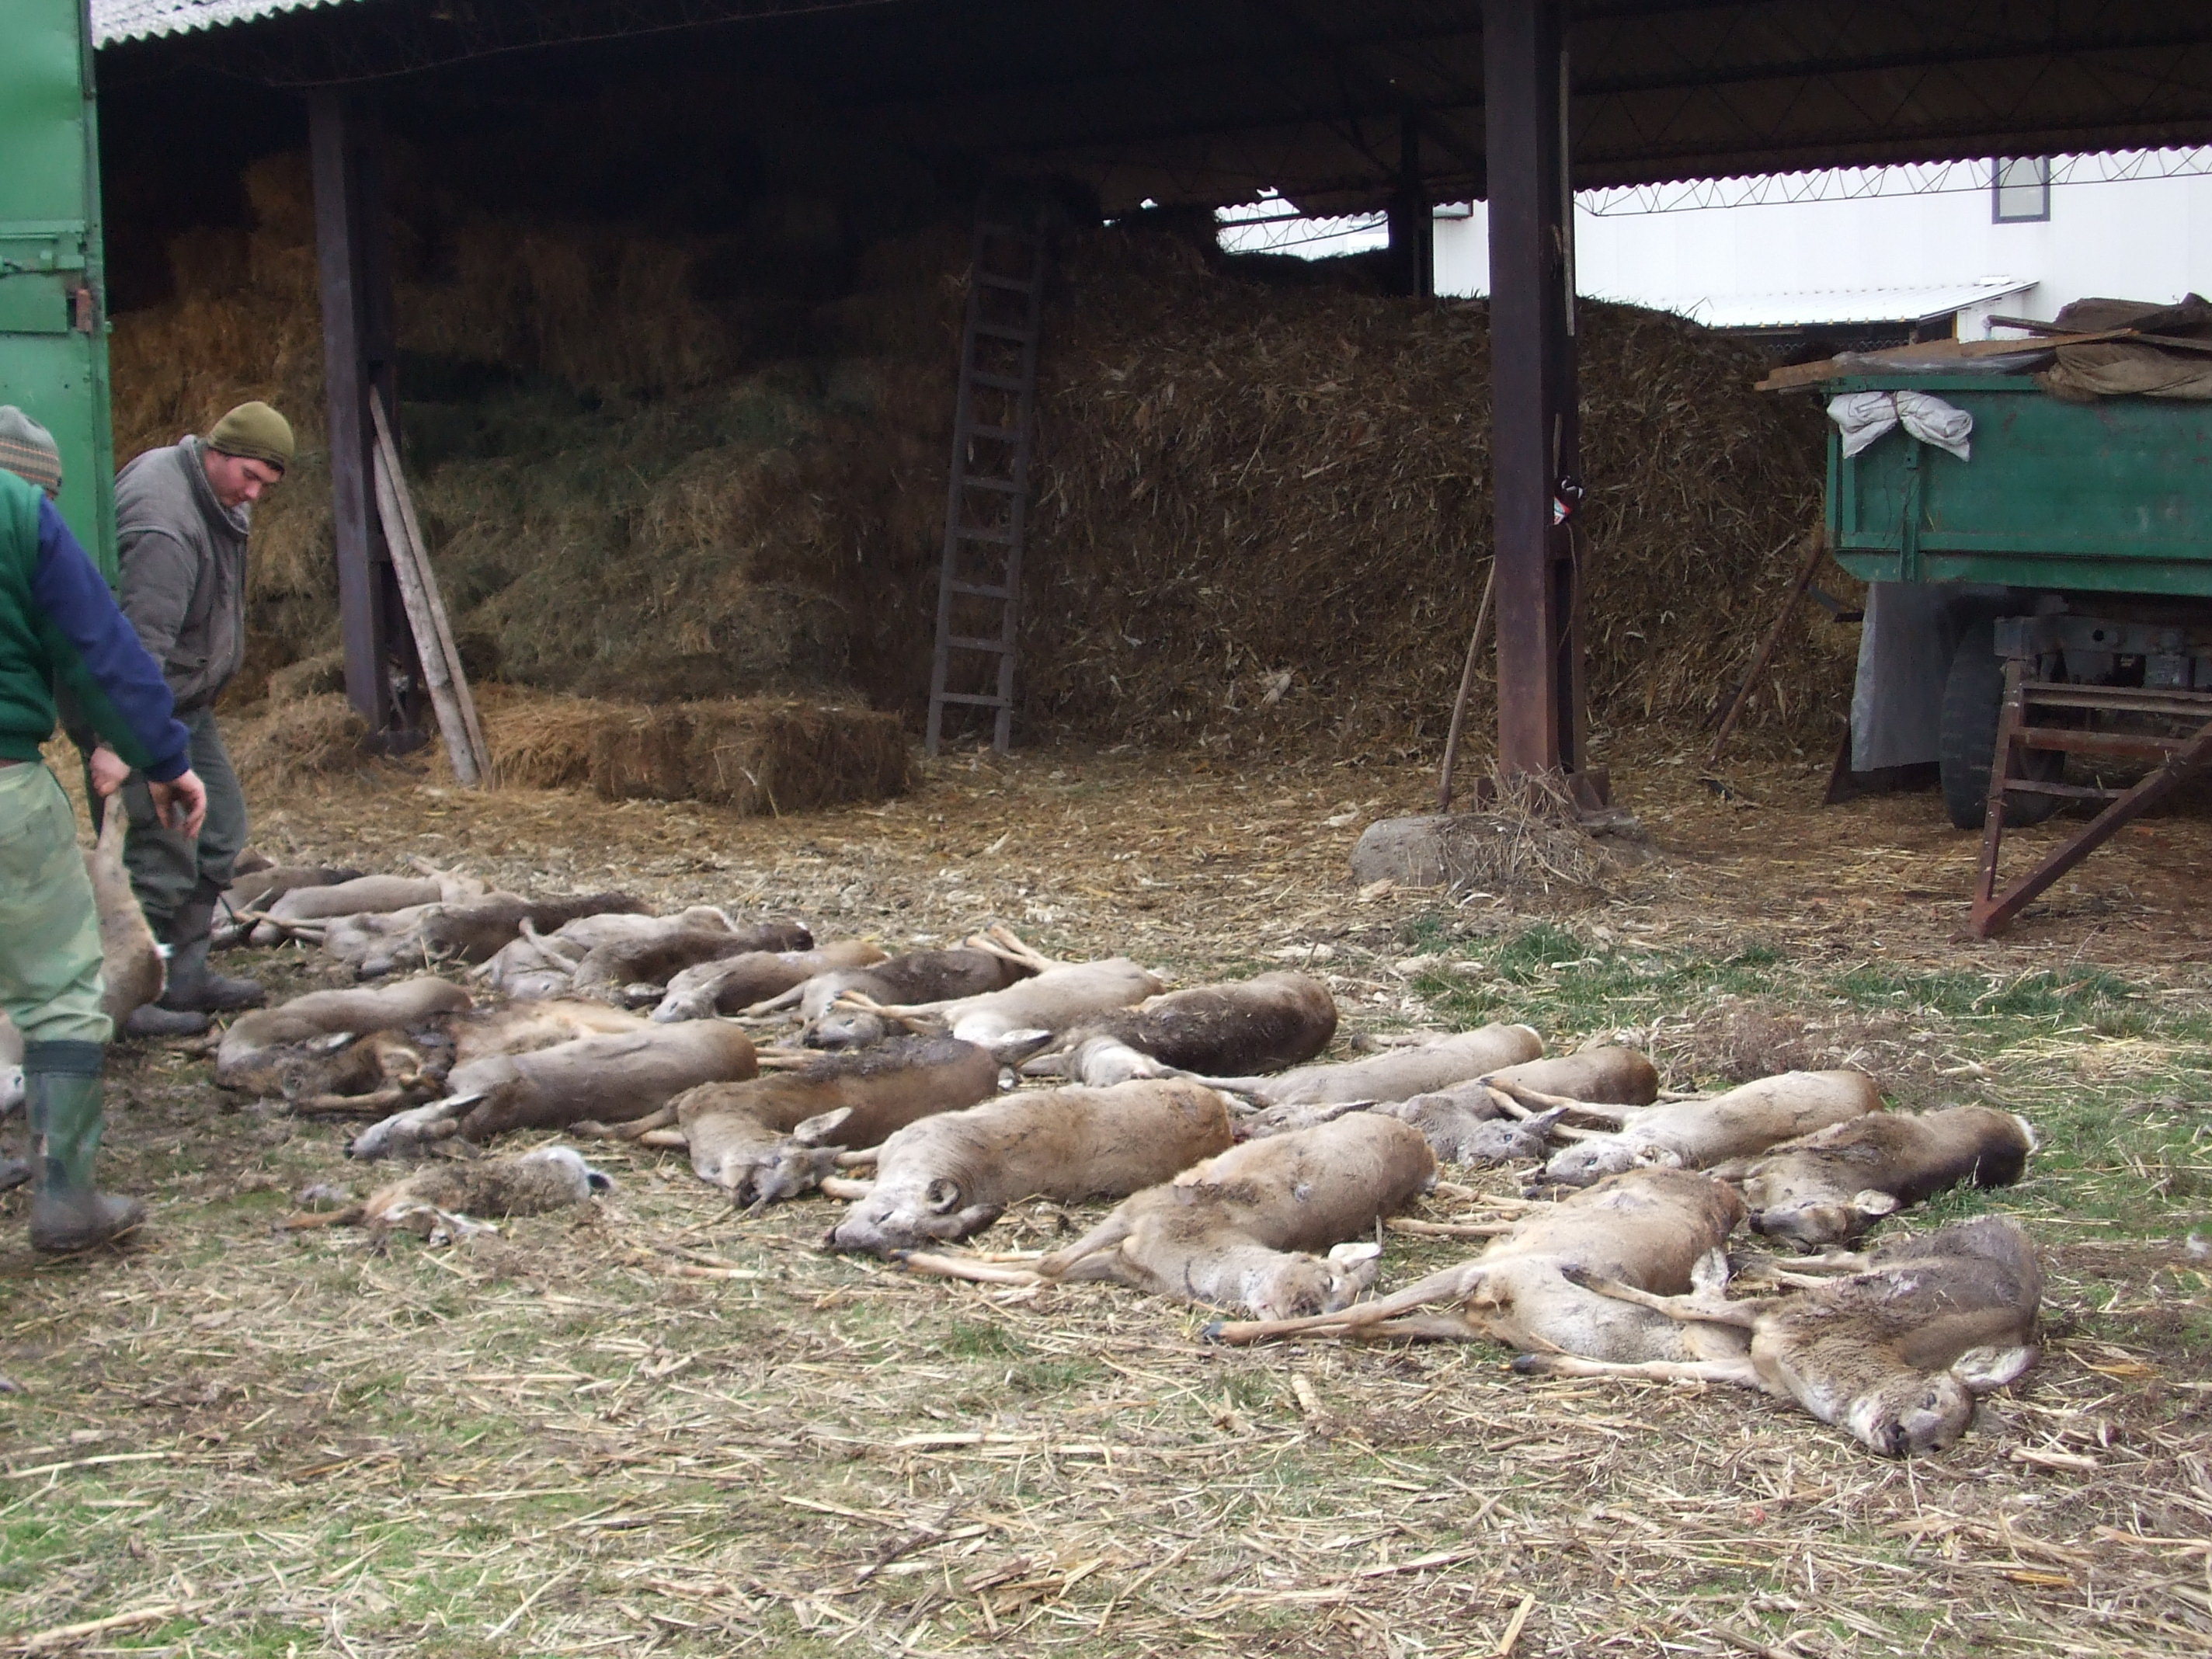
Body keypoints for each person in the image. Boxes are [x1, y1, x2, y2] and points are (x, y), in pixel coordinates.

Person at [0, 407, 209, 1250]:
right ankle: (65, 1199)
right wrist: (160, 755)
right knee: (57, 989)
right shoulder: (19, 513)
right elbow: (100, 650)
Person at [108, 400, 291, 1031]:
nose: (254, 496)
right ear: (217, 451)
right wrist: (127, 741)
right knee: (162, 849)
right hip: (139, 701)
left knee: (219, 831)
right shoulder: (166, 526)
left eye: (266, 485)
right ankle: (132, 993)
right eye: (249, 478)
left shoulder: (213, 499)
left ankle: (181, 975)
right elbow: (137, 649)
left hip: (184, 699)